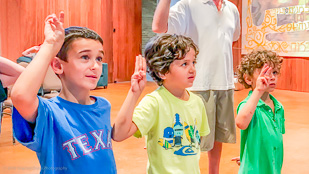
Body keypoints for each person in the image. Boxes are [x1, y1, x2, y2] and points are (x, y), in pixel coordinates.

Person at [11, 12, 146, 174]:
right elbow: (20, 95)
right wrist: (50, 45)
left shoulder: (103, 105)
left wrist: (134, 92)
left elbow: (118, 135)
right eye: (85, 57)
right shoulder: (49, 113)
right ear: (58, 66)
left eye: (98, 58)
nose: (95, 66)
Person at [152, 0, 241, 173]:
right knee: (190, 141)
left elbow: (233, 37)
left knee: (217, 137)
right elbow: (158, 27)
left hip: (224, 82)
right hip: (197, 84)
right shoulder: (188, 5)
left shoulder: (232, 8)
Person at [113, 34, 210, 173]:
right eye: (184, 64)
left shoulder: (197, 102)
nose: (192, 69)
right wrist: (134, 93)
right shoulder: (154, 103)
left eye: (193, 62)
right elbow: (119, 134)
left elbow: (196, 141)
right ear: (162, 72)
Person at [235, 50, 285, 173]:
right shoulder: (248, 105)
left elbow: (275, 140)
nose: (272, 77)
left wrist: (246, 155)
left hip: (272, 168)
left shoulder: (278, 107)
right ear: (248, 79)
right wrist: (258, 90)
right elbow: (241, 122)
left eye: (274, 72)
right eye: (266, 73)